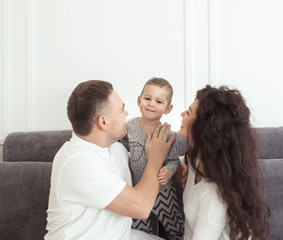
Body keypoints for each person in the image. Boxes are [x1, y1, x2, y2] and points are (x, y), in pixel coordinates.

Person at [45, 80, 176, 240]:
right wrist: (156, 159)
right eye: (122, 109)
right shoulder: (77, 160)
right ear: (103, 122)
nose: (127, 114)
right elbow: (141, 207)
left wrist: (179, 167)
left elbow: (141, 171)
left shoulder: (116, 149)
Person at [175, 85, 270, 240]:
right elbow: (173, 164)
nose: (182, 114)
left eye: (188, 112)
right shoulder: (196, 159)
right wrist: (173, 169)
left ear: (203, 129)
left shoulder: (214, 195)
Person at [120, 78, 184, 240]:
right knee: (139, 229)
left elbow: (174, 161)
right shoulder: (129, 127)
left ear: (168, 109)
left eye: (158, 101)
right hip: (138, 189)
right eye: (147, 99)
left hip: (163, 191)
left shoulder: (167, 135)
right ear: (139, 100)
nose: (151, 104)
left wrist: (167, 172)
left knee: (175, 226)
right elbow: (120, 146)